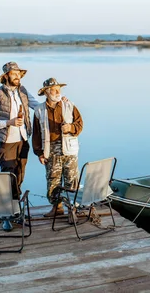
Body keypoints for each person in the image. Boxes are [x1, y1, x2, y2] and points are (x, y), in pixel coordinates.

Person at [0, 62, 40, 231]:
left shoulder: (22, 91)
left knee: (19, 178)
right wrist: (9, 122)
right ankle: (6, 217)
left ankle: (16, 213)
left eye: (19, 74)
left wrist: (58, 103)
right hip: (7, 143)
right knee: (8, 179)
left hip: (23, 141)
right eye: (14, 74)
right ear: (7, 75)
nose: (18, 77)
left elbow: (38, 106)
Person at [32, 78, 84, 218]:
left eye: (58, 90)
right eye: (54, 90)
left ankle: (73, 209)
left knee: (72, 180)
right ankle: (57, 207)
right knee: (53, 180)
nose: (57, 92)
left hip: (70, 149)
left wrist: (70, 127)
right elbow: (36, 134)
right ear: (46, 93)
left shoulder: (69, 105)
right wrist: (39, 153)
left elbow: (80, 125)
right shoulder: (39, 110)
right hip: (51, 149)